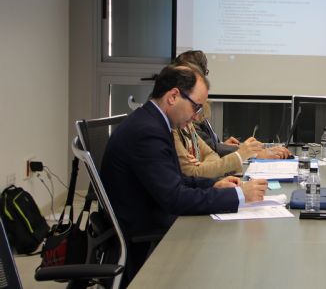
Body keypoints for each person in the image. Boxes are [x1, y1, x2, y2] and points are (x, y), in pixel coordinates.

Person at [101, 65, 268, 284]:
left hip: (151, 214)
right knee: (225, 246)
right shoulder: (148, 132)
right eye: (196, 106)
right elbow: (175, 198)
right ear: (173, 96)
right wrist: (239, 195)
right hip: (144, 230)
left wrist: (213, 185)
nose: (197, 116)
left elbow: (175, 179)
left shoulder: (153, 121)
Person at [173, 50, 290, 160]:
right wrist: (252, 153)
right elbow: (209, 151)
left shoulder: (193, 107)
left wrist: (223, 145)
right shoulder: (184, 114)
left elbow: (209, 148)